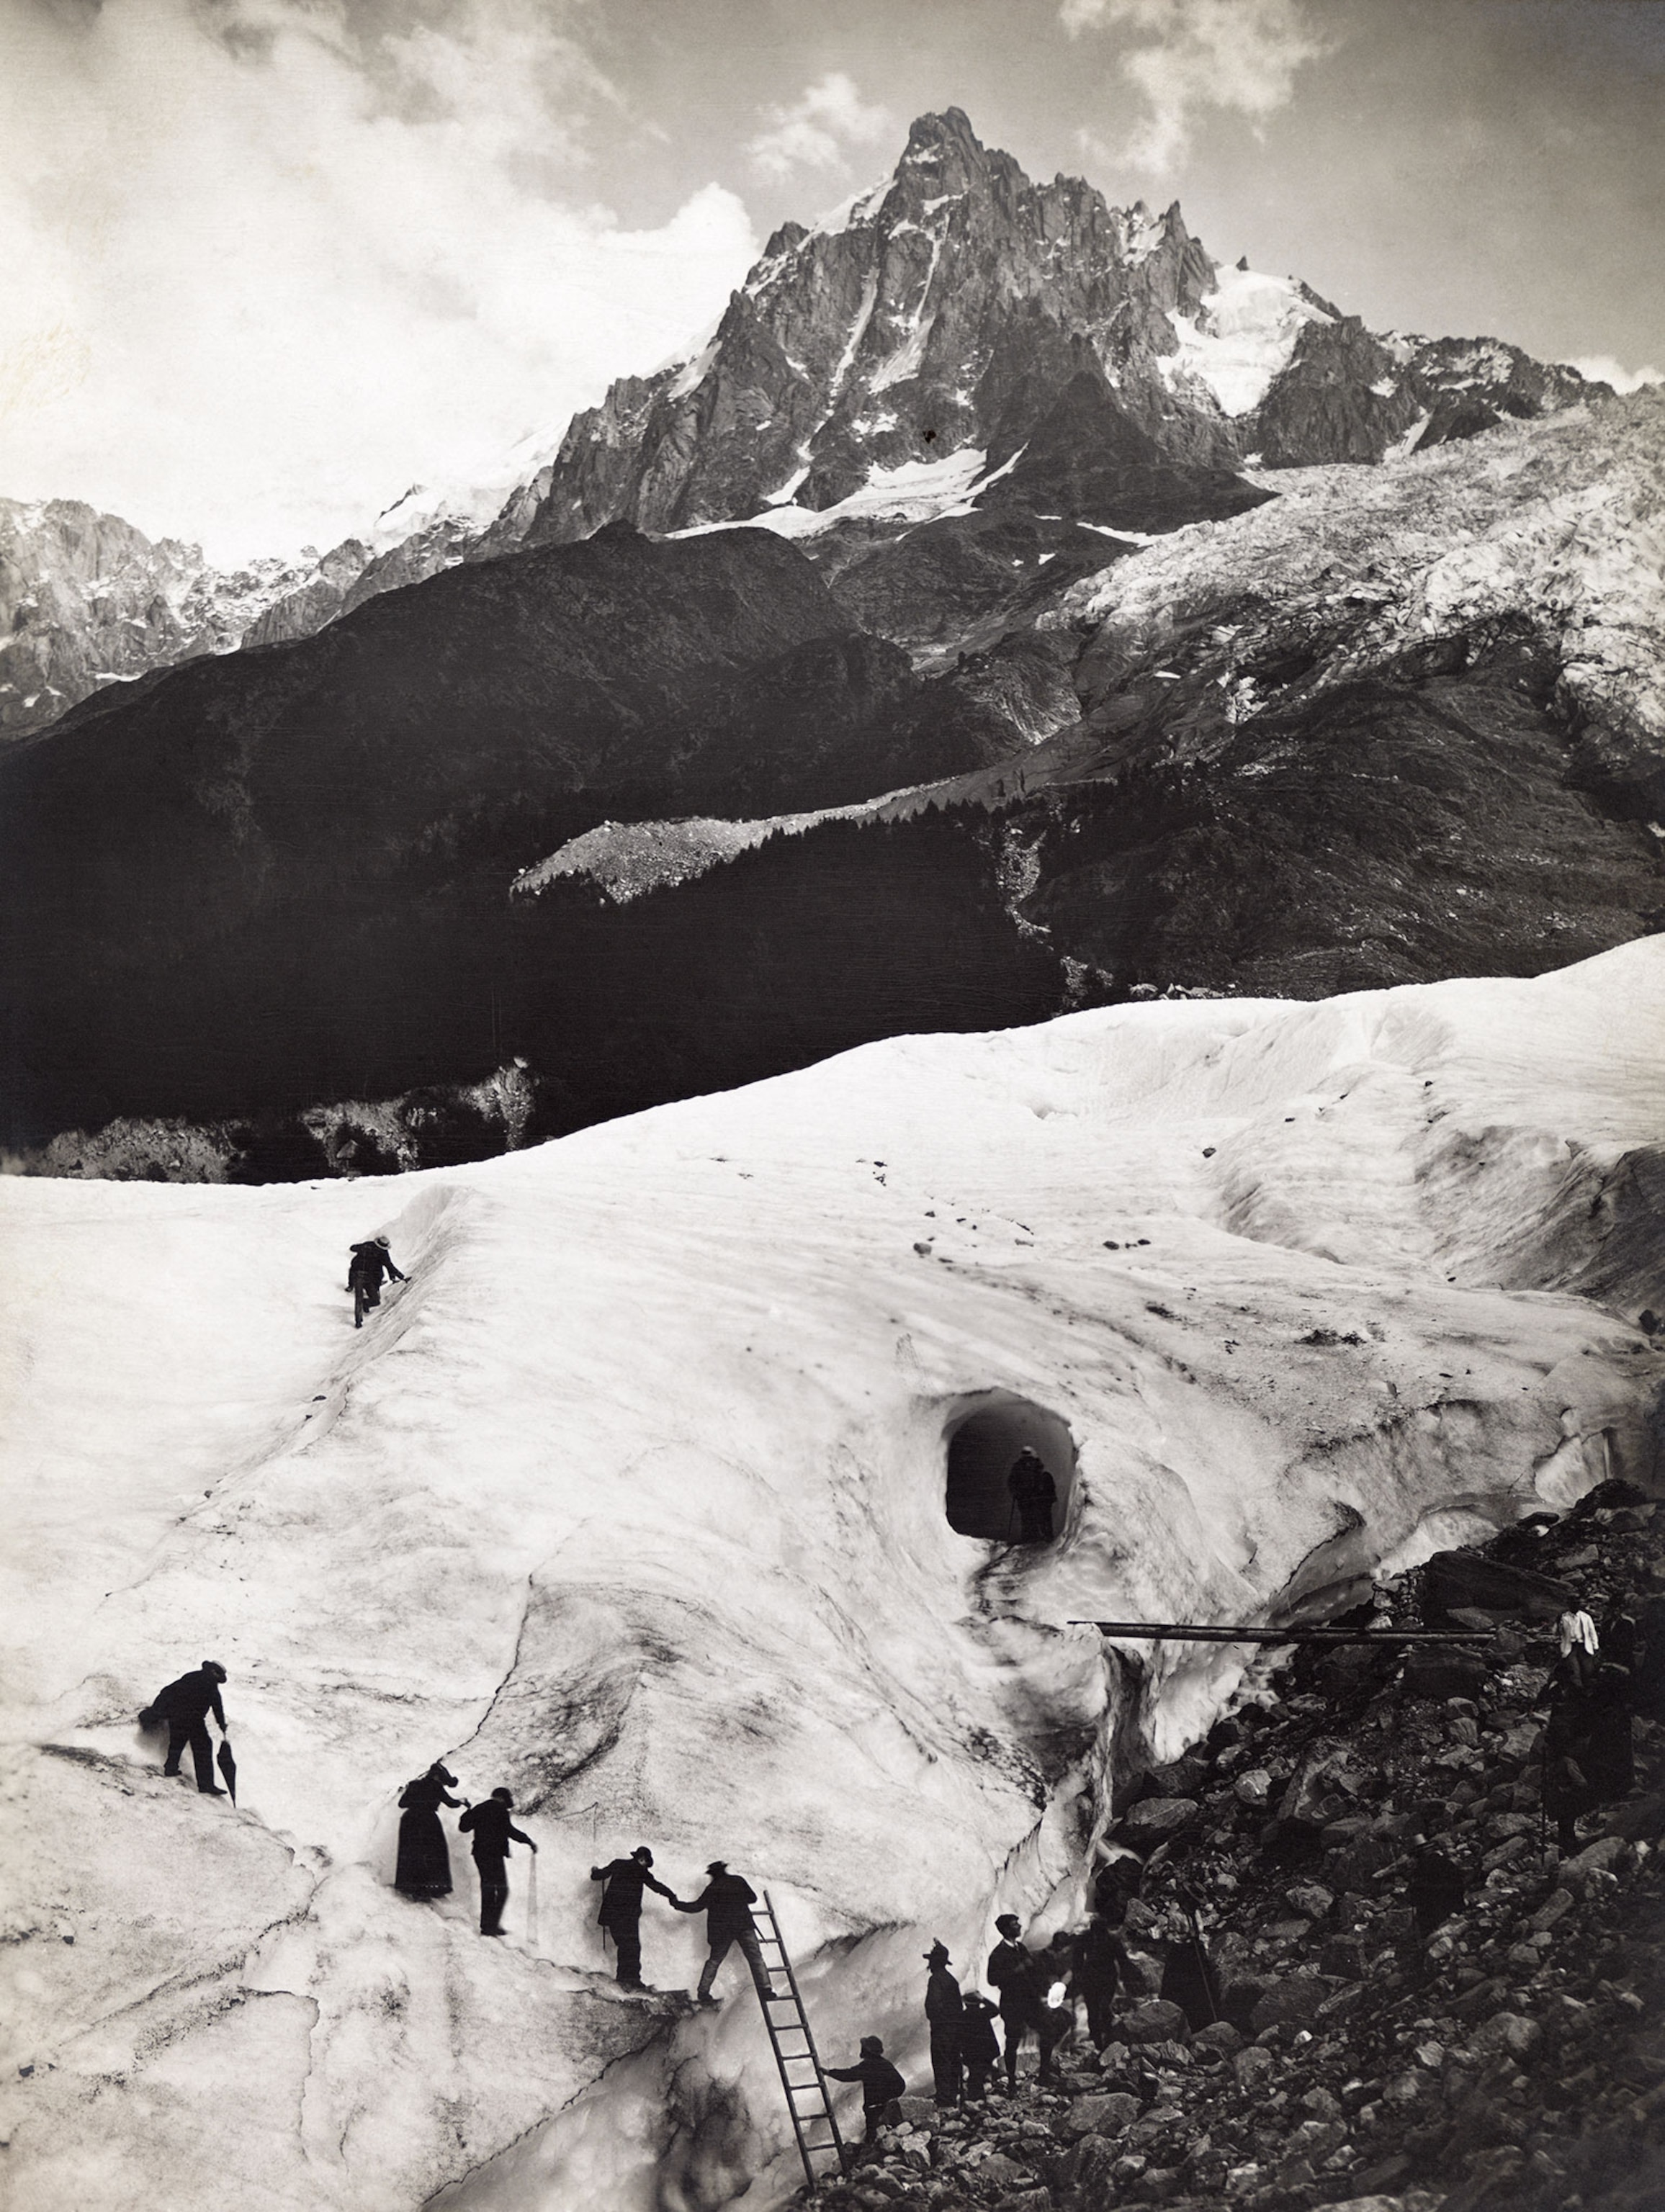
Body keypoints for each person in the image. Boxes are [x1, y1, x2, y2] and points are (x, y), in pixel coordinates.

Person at [673, 1861, 773, 2004]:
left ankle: (703, 1992)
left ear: (713, 1875)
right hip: (743, 1925)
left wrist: (677, 1904)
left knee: (714, 1961)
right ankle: (766, 1989)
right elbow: (752, 1898)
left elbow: (696, 1907)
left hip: (722, 1931)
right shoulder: (738, 1881)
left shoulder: (712, 1888)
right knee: (756, 1957)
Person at [591, 1846, 679, 1987]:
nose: (646, 1866)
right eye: (646, 1863)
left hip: (612, 1916)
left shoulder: (618, 1864)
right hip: (628, 1917)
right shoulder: (641, 1872)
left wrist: (595, 1870)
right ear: (642, 1859)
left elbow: (597, 1876)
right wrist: (671, 1895)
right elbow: (656, 1886)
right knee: (632, 1947)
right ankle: (631, 1980)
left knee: (624, 1946)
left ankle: (623, 1979)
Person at [139, 1660, 230, 1794]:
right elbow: (217, 1707)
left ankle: (171, 1768)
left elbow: (168, 1692)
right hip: (193, 1719)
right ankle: (206, 1785)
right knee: (203, 1747)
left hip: (177, 1716)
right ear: (213, 1671)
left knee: (178, 1741)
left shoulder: (191, 1677)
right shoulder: (211, 1685)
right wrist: (221, 1724)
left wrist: (158, 1711)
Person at [458, 1787, 536, 1936]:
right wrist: (528, 1841)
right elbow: (510, 1831)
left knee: (487, 1887)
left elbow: (464, 1827)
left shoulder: (480, 1808)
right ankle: (490, 1925)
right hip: (494, 1854)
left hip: (480, 1854)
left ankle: (487, 1925)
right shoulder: (500, 1810)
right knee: (502, 1890)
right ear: (501, 1798)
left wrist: (468, 1810)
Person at [987, 1913, 1044, 2090]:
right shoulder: (998, 1953)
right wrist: (1015, 1971)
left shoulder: (1021, 1948)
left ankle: (1045, 2072)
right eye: (1014, 1924)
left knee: (1047, 2030)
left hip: (1029, 2001)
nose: (1019, 1927)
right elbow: (992, 1979)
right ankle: (1011, 2080)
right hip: (1012, 2003)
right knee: (1012, 2041)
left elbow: (1032, 1973)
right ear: (1006, 1930)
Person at [395, 1763, 462, 1898]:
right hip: (428, 1821)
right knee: (434, 1853)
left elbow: (402, 1804)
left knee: (411, 1852)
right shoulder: (436, 1787)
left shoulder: (414, 1785)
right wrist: (462, 1801)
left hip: (410, 1820)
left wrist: (416, 1801)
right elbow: (451, 1803)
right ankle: (432, 1887)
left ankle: (409, 1885)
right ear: (437, 1777)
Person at [826, 2036, 907, 2143]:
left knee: (873, 2136)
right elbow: (901, 2085)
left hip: (874, 2109)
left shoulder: (868, 2065)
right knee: (881, 2134)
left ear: (868, 2051)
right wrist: (888, 2100)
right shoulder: (885, 2064)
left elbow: (848, 2075)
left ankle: (871, 2154)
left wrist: (829, 2072)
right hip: (883, 2107)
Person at [1072, 1912, 1129, 2049]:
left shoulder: (1112, 1940)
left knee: (1103, 2007)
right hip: (1091, 1978)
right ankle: (1098, 2042)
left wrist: (1127, 1976)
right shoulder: (1085, 1939)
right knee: (1093, 2010)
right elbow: (1077, 1959)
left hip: (1106, 1977)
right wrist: (1077, 1974)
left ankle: (1107, 2037)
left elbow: (1122, 1960)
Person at [923, 1941, 964, 2106]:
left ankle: (945, 2099)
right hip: (955, 2028)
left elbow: (933, 2005)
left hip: (942, 2029)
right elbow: (959, 2007)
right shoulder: (952, 1980)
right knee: (953, 2061)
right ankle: (953, 2096)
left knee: (941, 2063)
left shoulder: (935, 1979)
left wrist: (937, 2021)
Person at [348, 1235, 406, 1328]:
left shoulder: (370, 1246)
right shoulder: (382, 1252)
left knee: (367, 1300)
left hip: (365, 1276)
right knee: (369, 1299)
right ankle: (359, 1321)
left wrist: (361, 1249)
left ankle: (364, 1305)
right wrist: (401, 1277)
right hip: (364, 1276)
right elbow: (390, 1266)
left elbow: (352, 1248)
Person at [1007, 1449, 1056, 1543]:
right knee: (1032, 1516)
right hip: (1029, 1496)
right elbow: (1013, 1481)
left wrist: (1016, 1491)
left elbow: (1013, 1481)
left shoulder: (1020, 1467)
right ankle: (1037, 1536)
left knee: (1031, 1517)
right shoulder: (1027, 1467)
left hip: (1031, 1496)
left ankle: (1034, 1536)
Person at [959, 1993, 1001, 2101]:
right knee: (980, 2073)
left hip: (971, 2052)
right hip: (986, 2050)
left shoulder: (963, 2016)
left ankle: (975, 2096)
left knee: (975, 2073)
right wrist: (984, 1999)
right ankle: (978, 2096)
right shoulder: (983, 2013)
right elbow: (996, 2010)